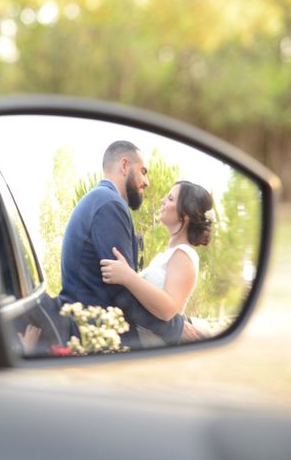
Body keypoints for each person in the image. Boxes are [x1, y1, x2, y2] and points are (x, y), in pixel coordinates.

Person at [59, 140, 197, 349]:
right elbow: (122, 291)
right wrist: (176, 330)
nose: (147, 182)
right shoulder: (110, 205)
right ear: (124, 165)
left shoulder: (100, 200)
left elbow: (124, 280)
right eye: (143, 171)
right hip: (97, 339)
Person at [100, 181, 214, 347]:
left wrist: (127, 276)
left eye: (170, 198)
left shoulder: (184, 254)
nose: (162, 201)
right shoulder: (166, 256)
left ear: (186, 213)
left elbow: (167, 309)